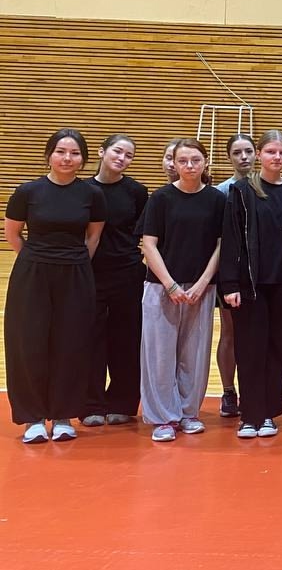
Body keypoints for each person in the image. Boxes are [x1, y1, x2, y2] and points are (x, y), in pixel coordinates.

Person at [5, 129, 106, 444]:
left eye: (74, 153)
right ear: (49, 155)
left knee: (71, 344)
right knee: (29, 343)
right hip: (33, 274)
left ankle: (63, 416)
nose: (67, 158)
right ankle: (33, 418)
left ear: (83, 159)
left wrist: (74, 262)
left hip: (75, 274)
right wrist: (36, 260)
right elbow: (13, 234)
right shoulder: (28, 191)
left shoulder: (91, 194)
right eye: (61, 151)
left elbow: (93, 237)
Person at [138, 139, 224, 443]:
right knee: (159, 354)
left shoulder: (216, 199)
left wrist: (202, 283)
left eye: (195, 160)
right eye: (183, 160)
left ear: (205, 162)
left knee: (194, 354)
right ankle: (162, 417)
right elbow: (149, 244)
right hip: (161, 287)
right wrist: (170, 284)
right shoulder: (160, 198)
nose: (189, 166)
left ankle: (189, 413)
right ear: (173, 164)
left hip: (201, 288)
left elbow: (221, 245)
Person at [220, 130, 282, 439]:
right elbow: (231, 239)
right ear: (259, 154)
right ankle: (249, 415)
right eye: (270, 151)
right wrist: (230, 283)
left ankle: (268, 414)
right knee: (249, 349)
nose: (276, 157)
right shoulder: (242, 191)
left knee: (277, 349)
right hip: (250, 285)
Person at [82, 134, 148, 427]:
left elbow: (145, 232)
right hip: (90, 273)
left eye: (129, 155)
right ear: (102, 151)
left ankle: (122, 402)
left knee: (127, 339)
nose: (122, 158)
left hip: (127, 273)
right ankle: (90, 404)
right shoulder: (82, 189)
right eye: (118, 151)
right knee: (90, 339)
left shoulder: (136, 191)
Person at [213, 133, 255, 419]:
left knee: (256, 335)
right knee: (230, 332)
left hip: (261, 275)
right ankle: (229, 392)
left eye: (248, 151)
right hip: (230, 275)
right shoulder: (221, 193)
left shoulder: (266, 187)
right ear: (229, 157)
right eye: (237, 152)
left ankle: (254, 390)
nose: (244, 157)